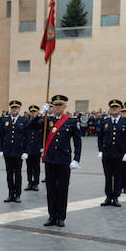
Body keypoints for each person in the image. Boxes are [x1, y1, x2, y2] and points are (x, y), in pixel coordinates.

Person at [40, 94, 81, 227]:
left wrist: (76, 159)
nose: (57, 107)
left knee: (63, 189)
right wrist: (42, 112)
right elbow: (30, 126)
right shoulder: (47, 120)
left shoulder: (71, 121)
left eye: (60, 105)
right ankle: (52, 216)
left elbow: (77, 142)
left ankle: (61, 217)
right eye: (55, 105)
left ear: (64, 106)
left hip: (64, 160)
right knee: (51, 189)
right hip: (50, 160)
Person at [97, 100, 126, 207]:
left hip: (120, 154)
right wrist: (100, 150)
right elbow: (100, 138)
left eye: (116, 107)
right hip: (107, 154)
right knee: (108, 176)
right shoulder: (105, 122)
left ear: (121, 109)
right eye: (112, 107)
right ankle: (108, 197)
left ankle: (116, 197)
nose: (114, 109)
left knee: (118, 176)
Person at [0, 100, 30, 202]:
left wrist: (26, 151)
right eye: (12, 108)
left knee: (18, 174)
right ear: (10, 109)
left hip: (18, 152)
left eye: (16, 108)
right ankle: (10, 193)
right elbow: (1, 136)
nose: (14, 109)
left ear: (19, 109)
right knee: (9, 174)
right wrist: (0, 149)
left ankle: (18, 195)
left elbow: (27, 137)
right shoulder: (5, 120)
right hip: (7, 151)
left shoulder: (24, 121)